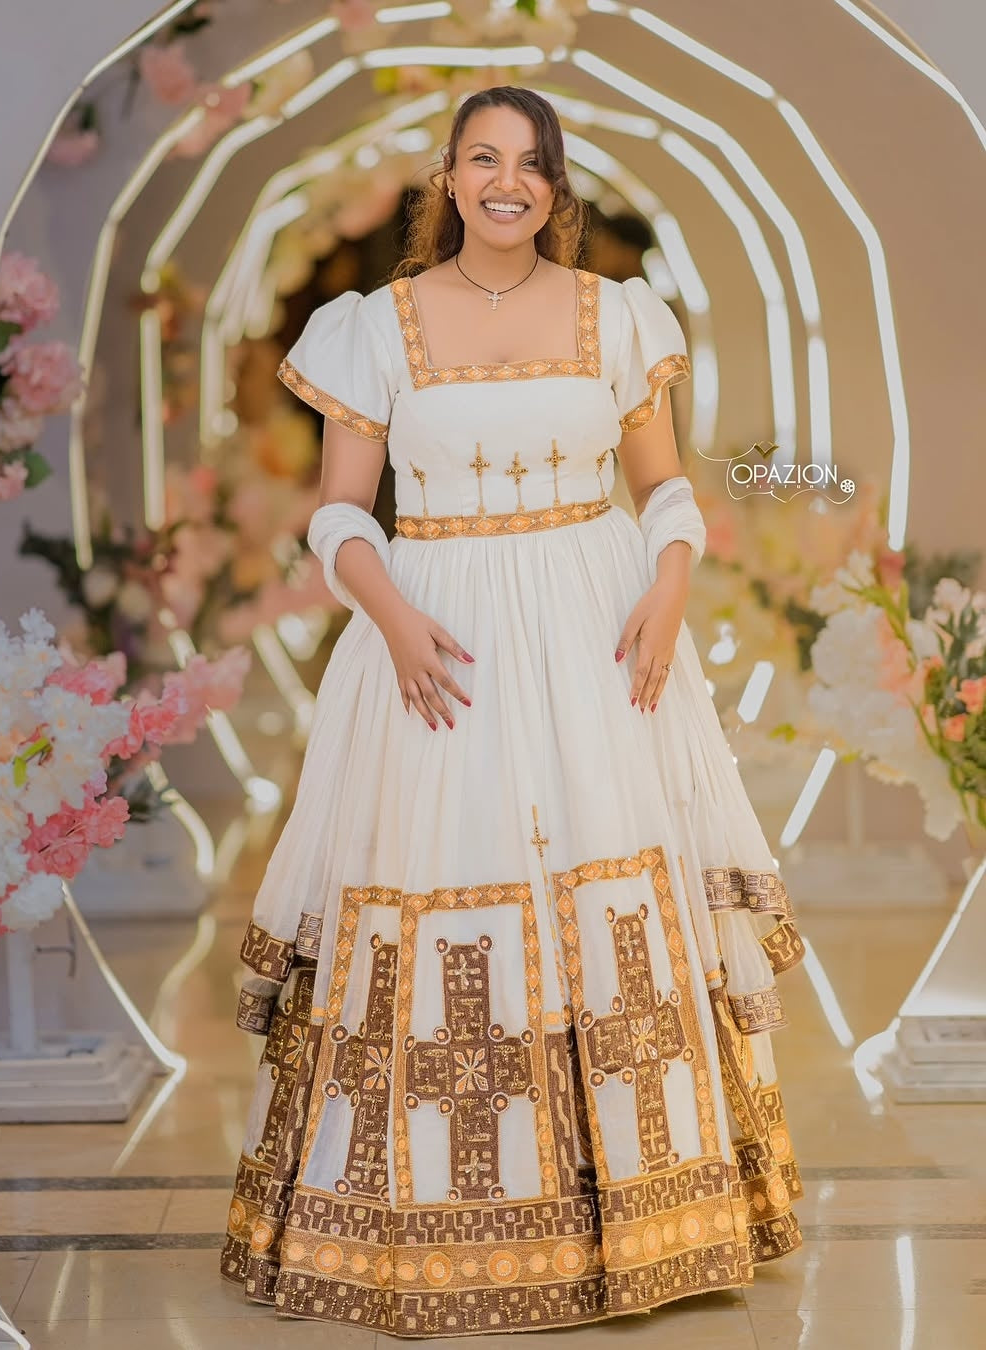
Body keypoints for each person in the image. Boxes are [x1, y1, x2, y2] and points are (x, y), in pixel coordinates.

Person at [220, 85, 804, 1338]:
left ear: (556, 184)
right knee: (453, 877)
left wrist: (669, 590)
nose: (506, 182)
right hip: (440, 636)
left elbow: (664, 491)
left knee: (603, 872)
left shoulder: (620, 317)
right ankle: (431, 1223)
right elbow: (339, 510)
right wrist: (390, 616)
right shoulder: (370, 327)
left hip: (597, 629)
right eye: (483, 158)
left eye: (530, 164)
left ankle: (650, 1216)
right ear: (445, 175)